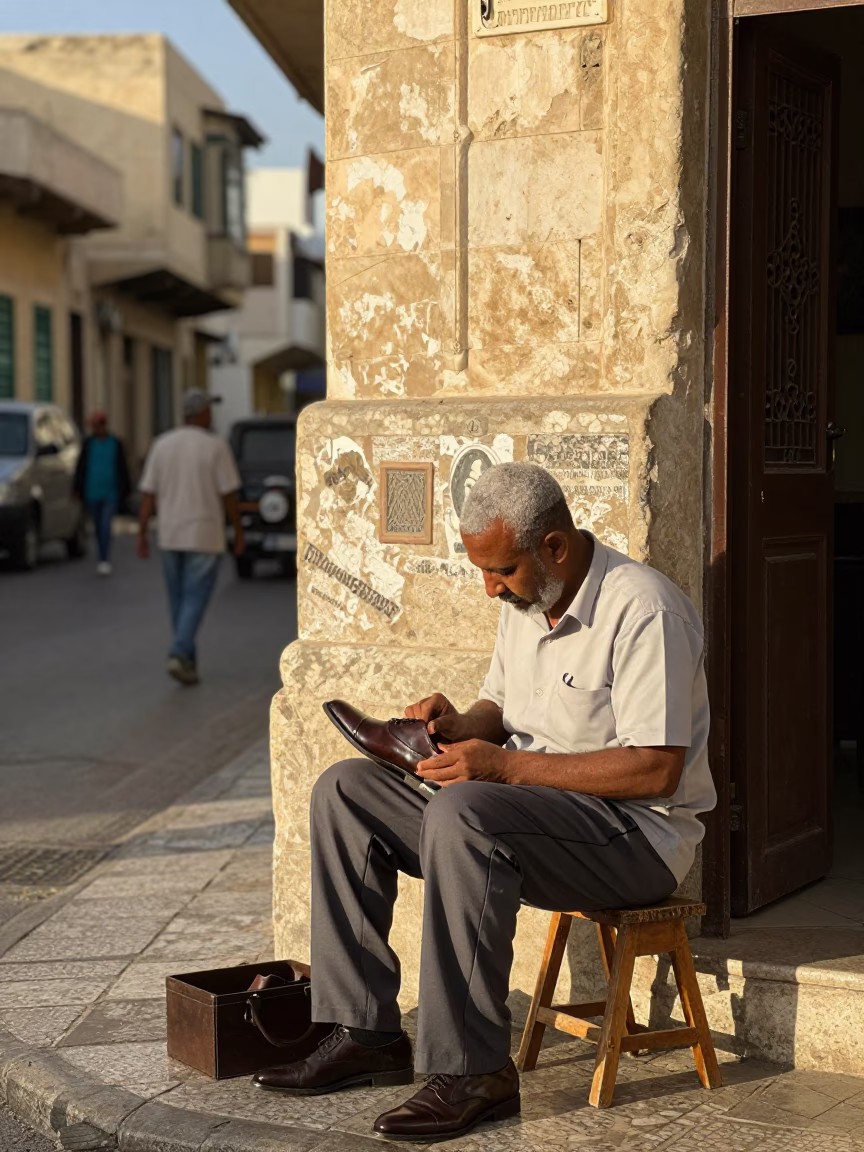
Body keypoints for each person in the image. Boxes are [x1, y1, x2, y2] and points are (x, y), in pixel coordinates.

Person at [254, 462, 717, 1143]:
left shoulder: (644, 609)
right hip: (530, 816)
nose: (490, 587)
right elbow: (503, 709)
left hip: (633, 840)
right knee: (344, 792)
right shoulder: (528, 600)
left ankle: (477, 1073)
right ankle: (366, 1033)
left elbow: (655, 770)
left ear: (553, 547)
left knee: (462, 810)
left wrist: (500, 766)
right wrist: (463, 726)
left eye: (500, 571)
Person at [137, 390, 245, 686]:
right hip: (204, 534)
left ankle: (187, 662)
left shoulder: (162, 445)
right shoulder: (215, 446)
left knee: (178, 601)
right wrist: (237, 530)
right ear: (200, 413)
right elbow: (229, 495)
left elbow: (148, 494)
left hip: (170, 534)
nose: (212, 414)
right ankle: (178, 651)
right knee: (195, 599)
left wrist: (142, 532)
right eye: (209, 409)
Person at [72, 411, 131, 575]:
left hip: (110, 492)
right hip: (92, 492)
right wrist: (77, 488)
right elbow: (81, 467)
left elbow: (122, 468)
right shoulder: (89, 444)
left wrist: (125, 491)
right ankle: (100, 552)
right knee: (97, 526)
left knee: (105, 525)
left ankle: (104, 557)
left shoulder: (115, 444)